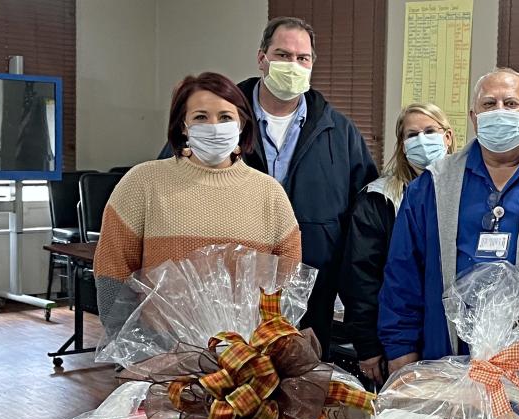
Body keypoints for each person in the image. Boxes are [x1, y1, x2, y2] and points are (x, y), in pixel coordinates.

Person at [158, 17, 378, 355]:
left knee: (293, 398)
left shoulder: (340, 133)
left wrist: (360, 319)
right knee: (220, 395)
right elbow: (167, 188)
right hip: (219, 299)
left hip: (309, 301)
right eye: (282, 55)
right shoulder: (221, 119)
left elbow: (362, 228)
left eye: (302, 58)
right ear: (262, 58)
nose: (293, 65)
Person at [95, 72, 301, 324]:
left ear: (242, 123)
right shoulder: (143, 182)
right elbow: (112, 269)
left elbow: (288, 283)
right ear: (183, 125)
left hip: (247, 355)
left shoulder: (269, 194)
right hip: (160, 354)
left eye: (225, 117)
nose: (214, 126)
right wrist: (128, 346)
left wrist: (273, 344)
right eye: (201, 117)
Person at [378, 69, 519, 373]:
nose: (500, 112)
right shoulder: (433, 186)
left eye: (511, 103)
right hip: (446, 363)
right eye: (489, 105)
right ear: (473, 116)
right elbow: (403, 278)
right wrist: (401, 357)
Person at [339, 103, 456, 385]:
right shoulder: (379, 199)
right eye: (412, 135)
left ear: (448, 137)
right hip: (399, 342)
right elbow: (361, 280)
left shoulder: (466, 190)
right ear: (402, 146)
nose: (422, 140)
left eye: (430, 131)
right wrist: (369, 347)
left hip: (454, 336)